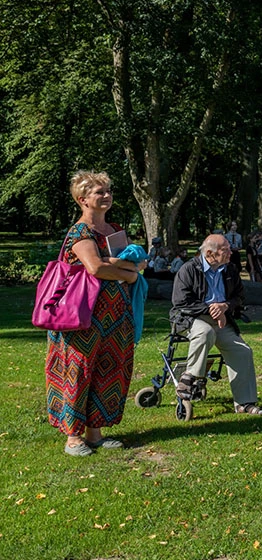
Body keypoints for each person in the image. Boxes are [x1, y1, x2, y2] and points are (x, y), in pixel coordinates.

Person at [46, 171, 143, 456]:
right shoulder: (81, 232)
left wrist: (124, 268)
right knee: (78, 370)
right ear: (82, 199)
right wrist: (126, 272)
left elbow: (136, 264)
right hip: (82, 314)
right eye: (99, 192)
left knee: (108, 368)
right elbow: (95, 268)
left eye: (108, 190)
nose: (107, 195)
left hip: (115, 314)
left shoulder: (114, 230)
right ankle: (73, 437)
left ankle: (95, 433)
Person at [170, 234, 262, 414]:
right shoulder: (188, 269)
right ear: (209, 253)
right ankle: (191, 377)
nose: (231, 252)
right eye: (225, 250)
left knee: (243, 351)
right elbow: (181, 302)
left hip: (222, 319)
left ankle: (244, 403)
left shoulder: (230, 269)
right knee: (205, 332)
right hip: (192, 319)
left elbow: (240, 296)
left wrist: (225, 306)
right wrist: (211, 309)